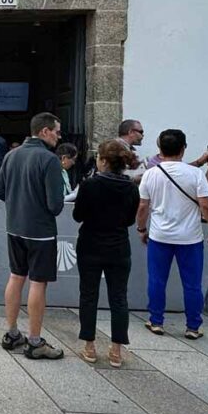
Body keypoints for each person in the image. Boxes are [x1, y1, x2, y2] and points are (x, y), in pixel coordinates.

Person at [137, 129, 208, 339]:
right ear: (183, 148)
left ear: (160, 149)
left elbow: (143, 207)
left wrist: (141, 228)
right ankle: (193, 326)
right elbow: (206, 205)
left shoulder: (151, 173)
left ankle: (156, 321)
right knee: (192, 284)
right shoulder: (195, 174)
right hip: (190, 238)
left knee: (157, 280)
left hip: (160, 235)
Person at [0, 112, 66, 360]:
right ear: (45, 131)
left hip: (14, 226)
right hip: (41, 231)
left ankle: (12, 332)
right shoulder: (49, 160)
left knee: (16, 276)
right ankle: (35, 341)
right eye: (56, 131)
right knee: (38, 282)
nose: (59, 135)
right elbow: (55, 205)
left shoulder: (11, 155)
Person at [73, 140, 140, 368]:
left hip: (91, 244)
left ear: (102, 161)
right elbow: (130, 219)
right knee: (119, 297)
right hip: (119, 247)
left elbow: (78, 215)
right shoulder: (131, 187)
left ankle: (89, 345)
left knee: (88, 294)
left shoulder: (90, 185)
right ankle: (116, 349)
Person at [118, 119, 208, 186]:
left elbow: (177, 170)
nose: (143, 136)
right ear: (183, 149)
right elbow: (203, 191)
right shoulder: (119, 149)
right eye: (141, 132)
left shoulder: (152, 166)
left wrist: (199, 162)